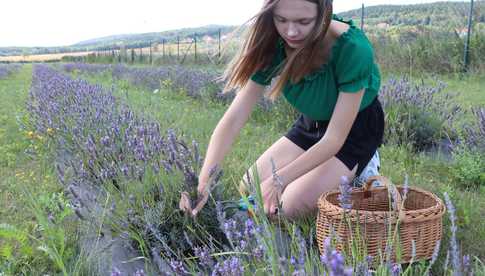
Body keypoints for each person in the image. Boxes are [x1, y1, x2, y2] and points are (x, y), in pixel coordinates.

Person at [185, 0, 384, 220]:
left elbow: (334, 139)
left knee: (286, 206)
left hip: (353, 130)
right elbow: (234, 119)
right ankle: (327, 174)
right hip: (313, 123)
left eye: (303, 21)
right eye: (281, 20)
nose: (290, 31)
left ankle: (362, 170)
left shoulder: (353, 48)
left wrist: (279, 179)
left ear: (324, 14)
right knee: (250, 186)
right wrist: (204, 181)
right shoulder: (274, 44)